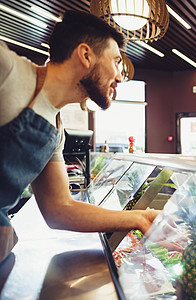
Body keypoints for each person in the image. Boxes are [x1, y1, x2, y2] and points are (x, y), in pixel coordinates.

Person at [0, 10, 159, 264]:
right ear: (86, 55)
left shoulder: (55, 130)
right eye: (116, 61)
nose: (119, 76)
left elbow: (60, 209)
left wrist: (139, 218)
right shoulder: (8, 71)